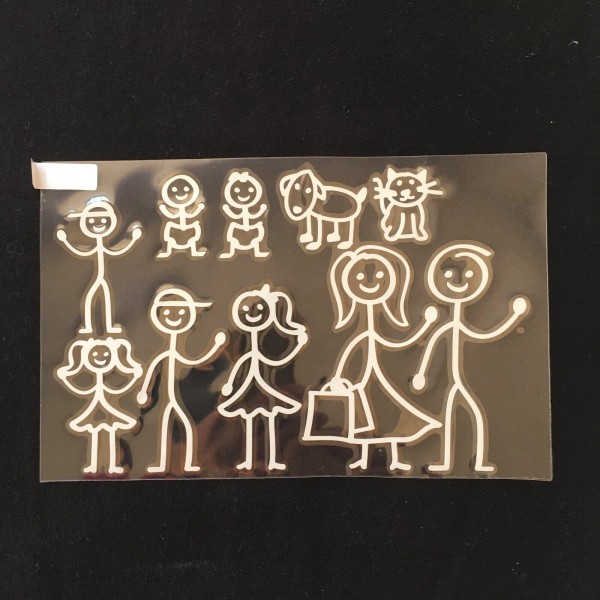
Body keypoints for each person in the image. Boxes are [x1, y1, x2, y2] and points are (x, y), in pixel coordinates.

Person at [318, 244, 440, 473]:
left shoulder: (372, 334)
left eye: (381, 277)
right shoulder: (362, 335)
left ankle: (393, 459)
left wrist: (426, 326)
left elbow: (398, 343)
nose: (370, 282)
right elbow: (350, 352)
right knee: (365, 424)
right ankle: (364, 458)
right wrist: (337, 378)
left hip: (376, 383)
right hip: (363, 385)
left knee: (387, 420)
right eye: (360, 277)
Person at [412, 241, 530, 475]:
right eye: (449, 276)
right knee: (455, 414)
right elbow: (432, 346)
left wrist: (513, 317)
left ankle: (476, 461)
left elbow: (487, 334)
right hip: (452, 383)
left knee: (472, 412)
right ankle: (447, 461)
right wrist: (421, 373)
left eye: (468, 275)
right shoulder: (445, 328)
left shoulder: (459, 327)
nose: (459, 282)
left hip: (459, 382)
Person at [137, 285, 228, 474]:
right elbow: (153, 372)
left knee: (185, 426)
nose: (174, 316)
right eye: (168, 311)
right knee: (167, 428)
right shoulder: (162, 356)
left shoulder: (179, 356)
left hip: (177, 399)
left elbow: (198, 361)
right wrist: (145, 391)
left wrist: (217, 347)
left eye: (180, 312)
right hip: (167, 400)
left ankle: (188, 462)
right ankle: (163, 463)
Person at [218, 283, 308, 472]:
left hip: (265, 391)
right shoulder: (248, 356)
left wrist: (298, 343)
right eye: (247, 312)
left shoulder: (262, 356)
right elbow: (246, 366)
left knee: (268, 421)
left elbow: (279, 359)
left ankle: (271, 459)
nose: (253, 315)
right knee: (252, 423)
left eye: (258, 310)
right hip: (251, 392)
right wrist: (230, 386)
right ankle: (250, 459)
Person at [55, 196, 143, 334]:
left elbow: (118, 250)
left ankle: (107, 327)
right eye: (91, 220)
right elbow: (81, 252)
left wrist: (133, 239)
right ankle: (89, 326)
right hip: (98, 277)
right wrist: (65, 240)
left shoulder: (103, 247)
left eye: (103, 219)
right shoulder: (95, 247)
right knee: (92, 298)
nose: (98, 224)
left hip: (102, 278)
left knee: (103, 298)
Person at [57, 336, 142, 475]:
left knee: (109, 432)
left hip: (103, 409)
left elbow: (122, 388)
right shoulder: (93, 387)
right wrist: (65, 377)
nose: (100, 357)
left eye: (106, 354)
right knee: (97, 432)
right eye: (95, 354)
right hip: (95, 409)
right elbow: (79, 389)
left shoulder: (109, 387)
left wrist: (135, 375)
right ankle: (93, 465)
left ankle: (110, 466)